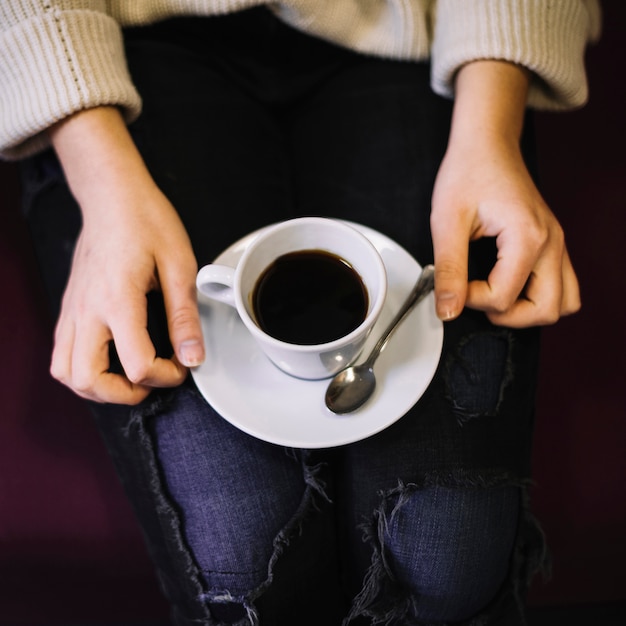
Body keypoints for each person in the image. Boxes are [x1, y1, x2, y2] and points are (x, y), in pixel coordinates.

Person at [1, 2, 600, 624]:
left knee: (447, 550)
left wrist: (491, 131)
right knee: (241, 565)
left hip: (414, 30)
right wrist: (99, 181)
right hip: (128, 51)